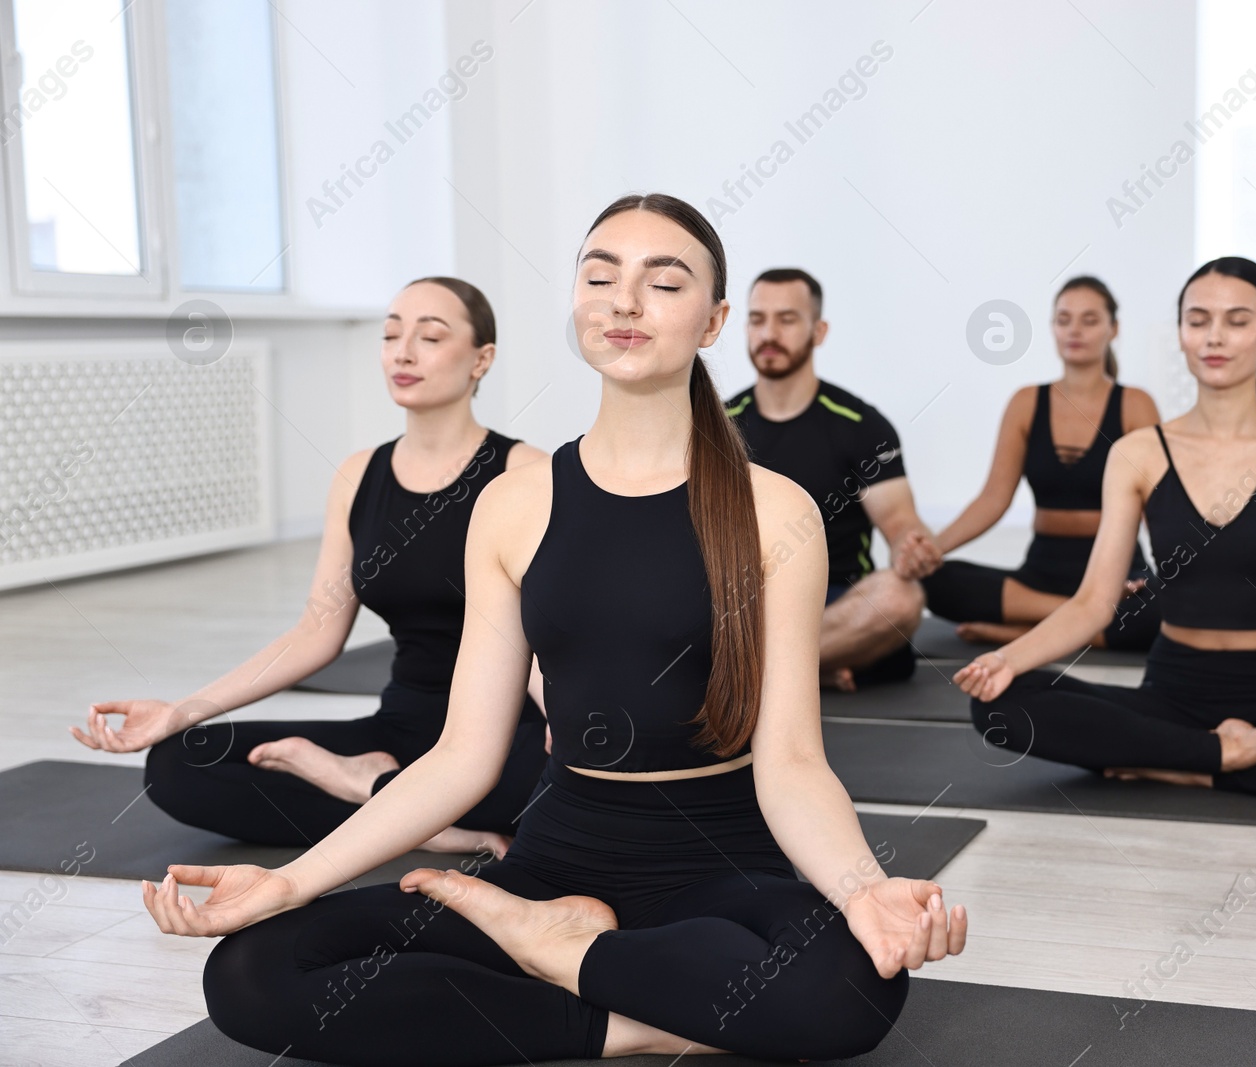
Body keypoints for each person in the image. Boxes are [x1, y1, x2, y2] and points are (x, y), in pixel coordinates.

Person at [141, 193, 967, 1064]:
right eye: (600, 275)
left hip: (723, 863)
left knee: (851, 985)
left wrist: (866, 889)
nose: (623, 300)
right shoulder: (514, 504)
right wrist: (285, 881)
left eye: (663, 281)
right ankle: (619, 1012)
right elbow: (464, 753)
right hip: (553, 858)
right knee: (256, 969)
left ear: (714, 320)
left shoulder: (774, 511)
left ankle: (565, 954)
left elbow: (793, 762)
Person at [952, 257, 1256, 814]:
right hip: (1175, 691)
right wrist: (1008, 659)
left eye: (1237, 321)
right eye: (1198, 320)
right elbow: (1095, 602)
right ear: (1182, 334)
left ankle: (1188, 766)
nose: (1215, 337)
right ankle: (1219, 754)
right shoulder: (1138, 453)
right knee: (997, 705)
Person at [72, 278, 549, 855]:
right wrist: (180, 711)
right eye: (391, 334)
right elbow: (316, 633)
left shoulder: (525, 472)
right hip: (401, 729)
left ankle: (374, 791)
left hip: (502, 736)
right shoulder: (357, 476)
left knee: (579, 788)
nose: (402, 352)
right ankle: (410, 808)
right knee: (179, 765)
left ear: (482, 359)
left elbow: (554, 626)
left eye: (430, 336)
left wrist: (566, 720)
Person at [922, 276, 1163, 651]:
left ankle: (1028, 632)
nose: (1075, 330)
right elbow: (993, 499)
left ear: (1113, 329)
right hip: (1041, 577)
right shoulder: (1026, 402)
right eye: (1064, 319)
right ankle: (1081, 621)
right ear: (1052, 327)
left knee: (1166, 607)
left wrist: (1180, 571)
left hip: (1117, 573)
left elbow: (1157, 504)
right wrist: (933, 550)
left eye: (1089, 319)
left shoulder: (1135, 404)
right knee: (936, 582)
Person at [725, 267, 939, 691]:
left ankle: (751, 676)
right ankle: (817, 668)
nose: (769, 333)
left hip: (837, 601)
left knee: (901, 597)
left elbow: (899, 522)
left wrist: (911, 545)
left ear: (818, 331)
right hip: (748, 604)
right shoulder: (719, 425)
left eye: (786, 320)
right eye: (757, 319)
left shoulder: (862, 425)